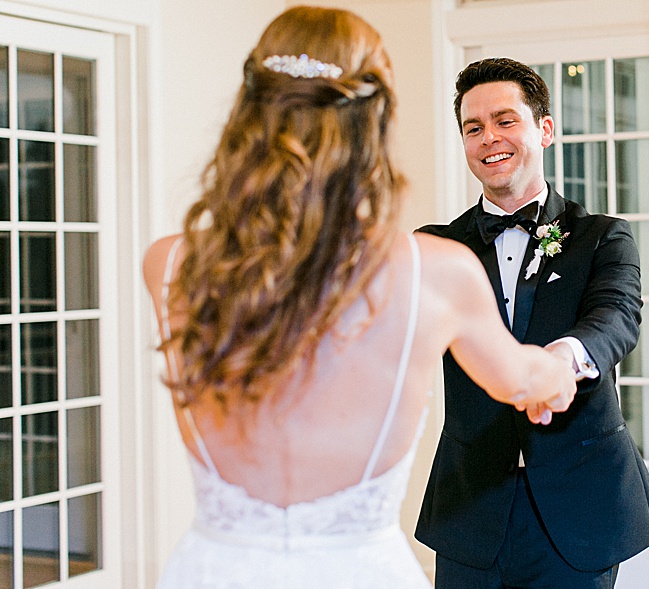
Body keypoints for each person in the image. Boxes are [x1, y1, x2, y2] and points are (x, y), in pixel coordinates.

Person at [144, 8, 578, 588]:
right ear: (375, 120)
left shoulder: (169, 264)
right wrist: (556, 369)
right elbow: (525, 381)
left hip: (212, 569)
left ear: (251, 112)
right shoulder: (438, 272)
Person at [414, 57, 649, 588]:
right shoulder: (437, 249)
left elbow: (617, 317)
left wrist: (562, 359)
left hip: (578, 507)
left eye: (506, 121)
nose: (489, 139)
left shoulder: (602, 236)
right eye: (473, 128)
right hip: (471, 508)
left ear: (544, 129)